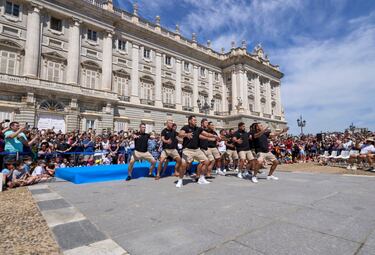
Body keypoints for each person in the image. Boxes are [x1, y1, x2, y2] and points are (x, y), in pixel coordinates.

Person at [178, 115, 216, 185]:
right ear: (189, 121)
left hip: (197, 150)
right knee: (183, 165)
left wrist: (214, 136)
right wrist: (186, 135)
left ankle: (201, 178)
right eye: (194, 120)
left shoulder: (198, 129)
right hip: (187, 150)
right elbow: (180, 134)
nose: (196, 121)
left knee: (207, 161)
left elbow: (206, 134)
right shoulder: (185, 127)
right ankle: (180, 180)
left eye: (196, 120)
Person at [156, 120, 184, 186]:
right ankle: (158, 174)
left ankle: (176, 171)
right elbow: (162, 138)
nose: (172, 124)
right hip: (165, 150)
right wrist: (166, 141)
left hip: (173, 150)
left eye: (172, 123)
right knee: (161, 161)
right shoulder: (164, 131)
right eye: (170, 123)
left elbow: (179, 137)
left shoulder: (174, 131)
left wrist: (182, 139)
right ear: (167, 124)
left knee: (179, 160)